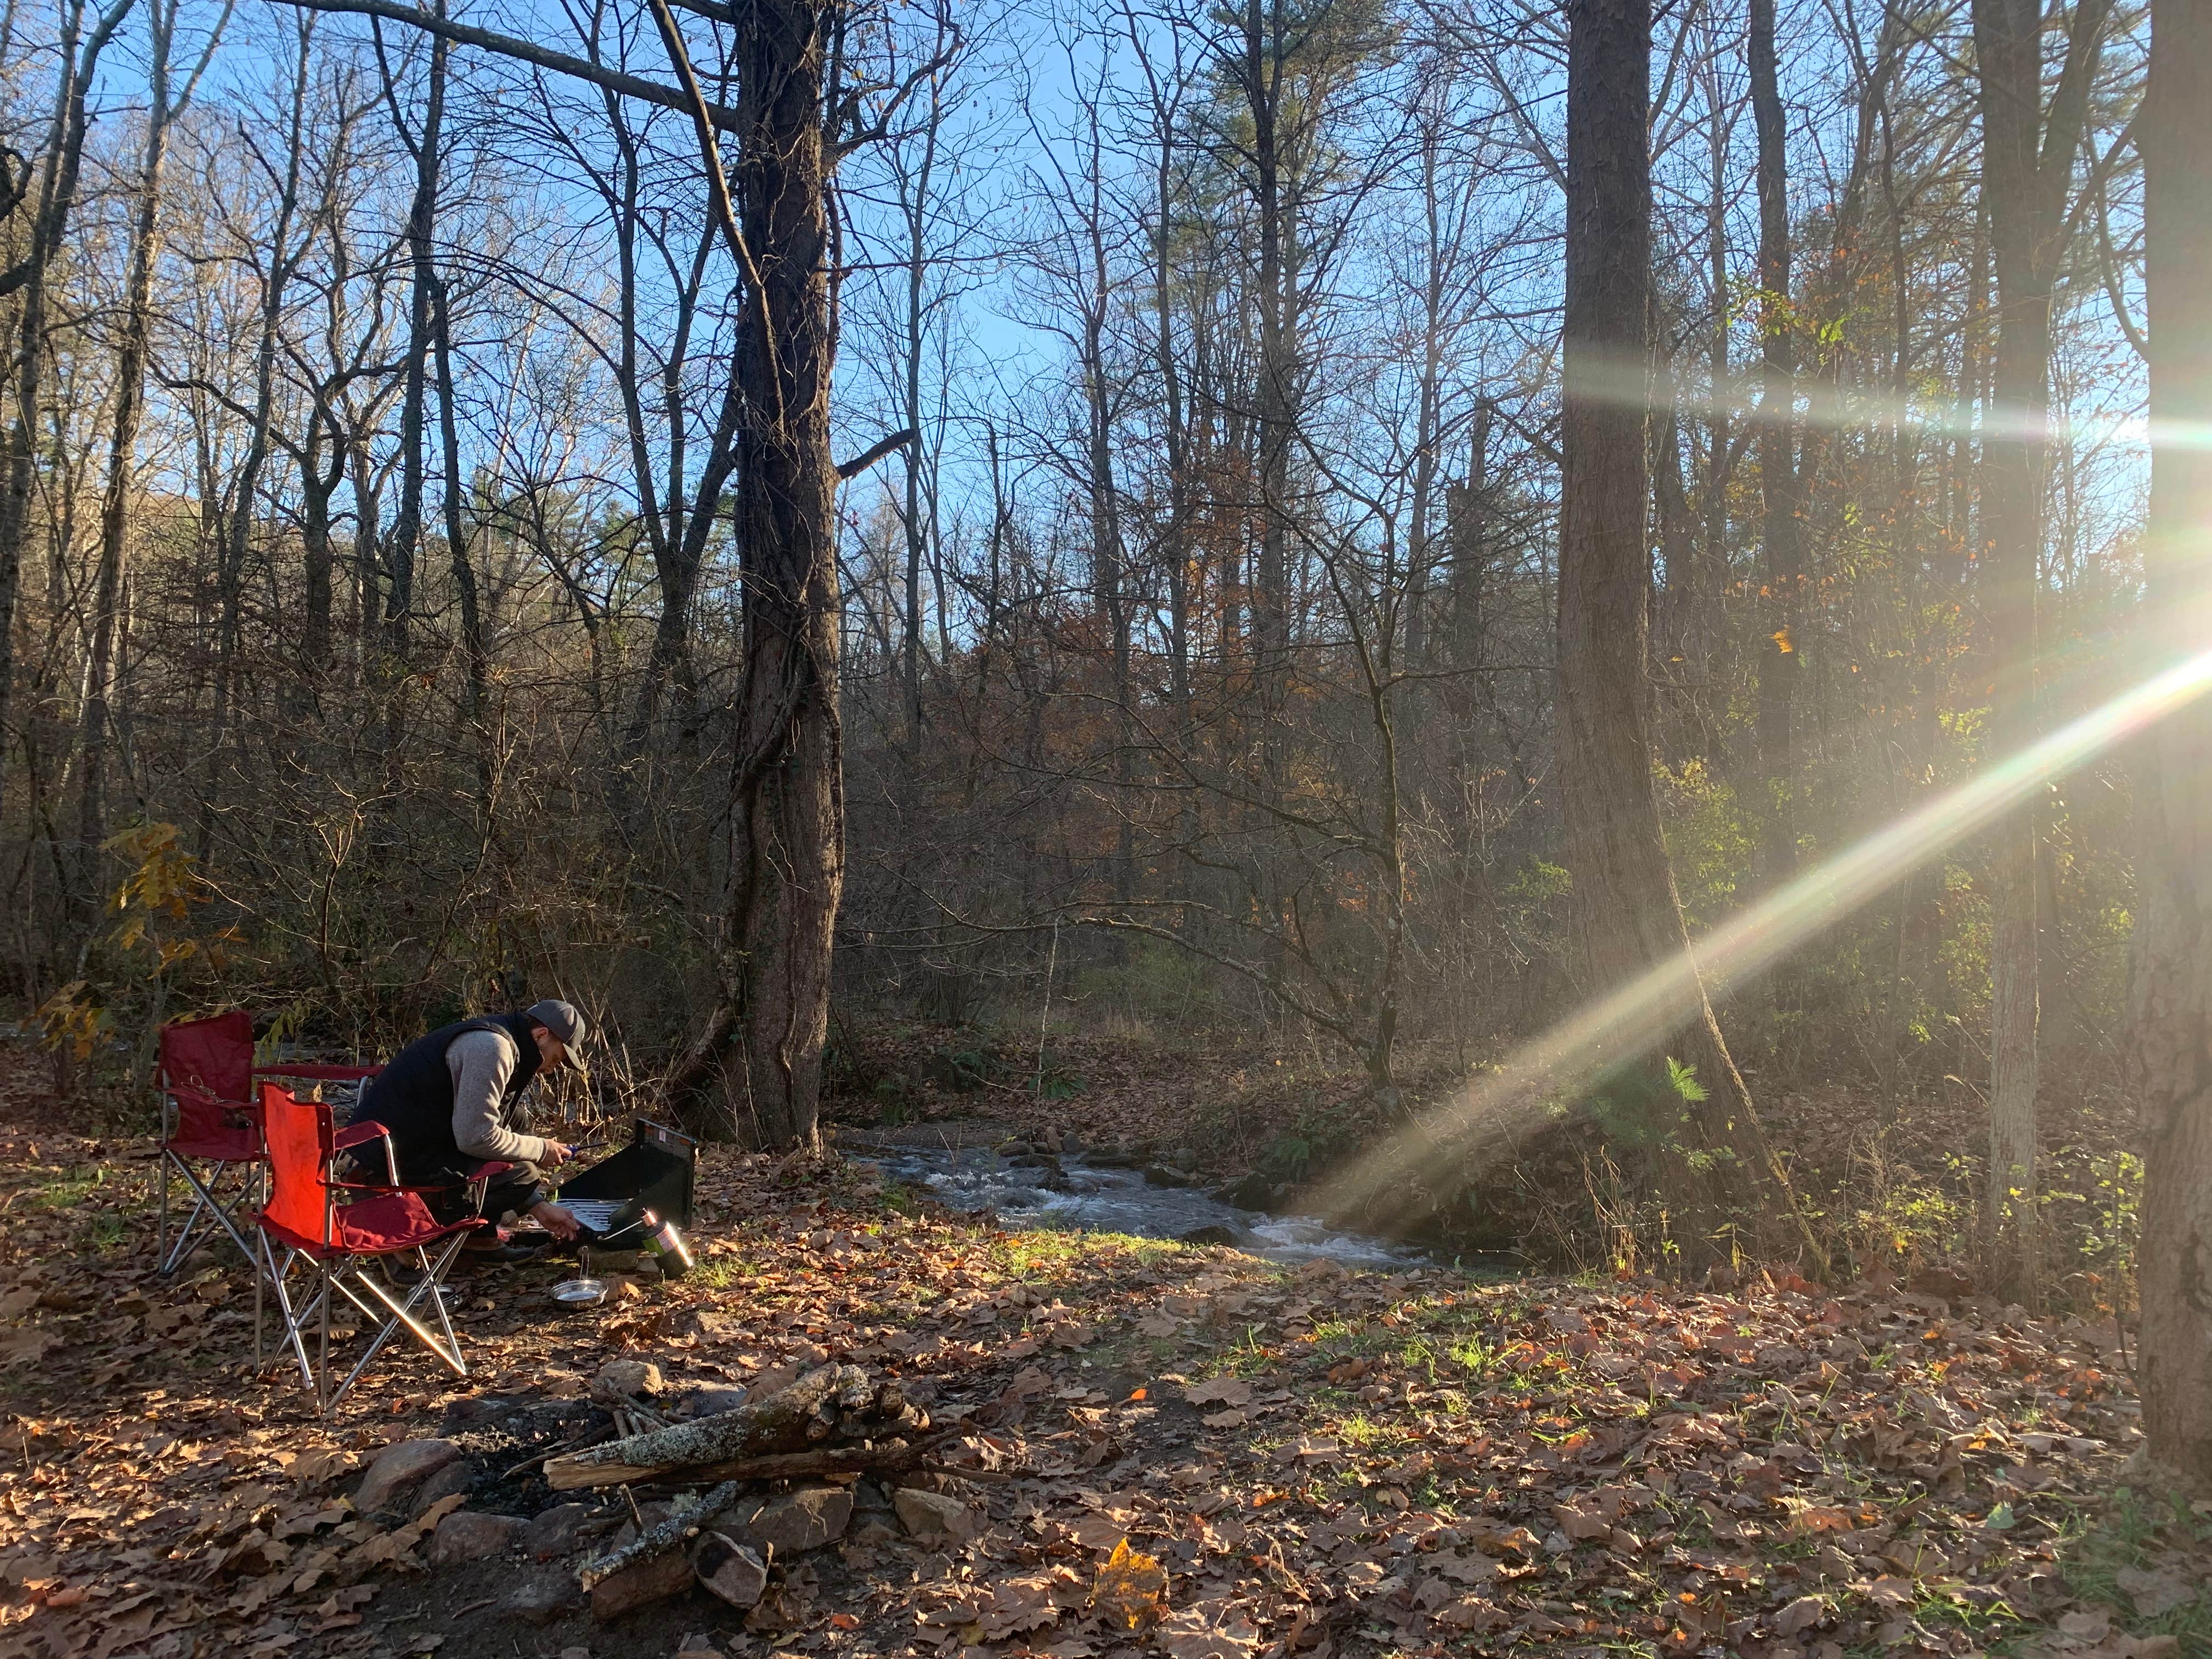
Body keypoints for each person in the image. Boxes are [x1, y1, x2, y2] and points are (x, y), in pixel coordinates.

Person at [354, 999, 589, 1261]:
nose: (550, 1070)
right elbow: (476, 1138)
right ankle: (402, 1236)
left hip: (414, 1143)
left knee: (517, 1122)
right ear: (541, 1035)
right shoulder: (492, 1048)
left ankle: (479, 1239)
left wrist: (539, 1207)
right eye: (555, 1059)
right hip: (384, 1167)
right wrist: (541, 1149)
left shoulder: (505, 1038)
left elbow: (487, 1133)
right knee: (523, 1173)